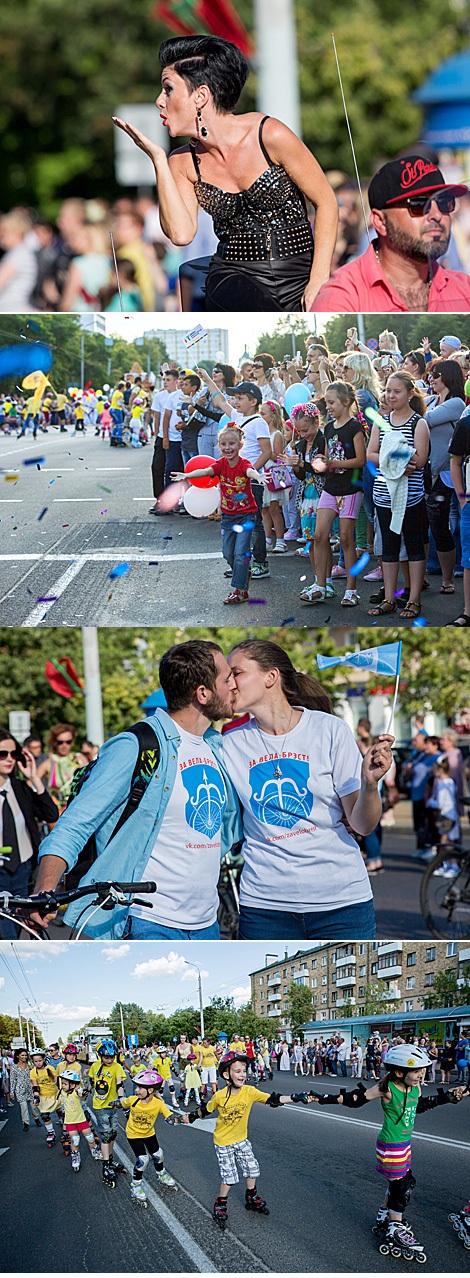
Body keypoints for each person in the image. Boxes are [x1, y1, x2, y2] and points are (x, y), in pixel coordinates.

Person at [32, 640, 241, 940]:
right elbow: (74, 825)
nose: (234, 685)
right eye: (227, 678)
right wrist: (45, 890)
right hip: (148, 922)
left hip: (206, 923)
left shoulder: (215, 745)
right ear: (203, 693)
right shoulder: (136, 746)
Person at [113, 34, 338, 311]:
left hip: (300, 273)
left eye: (168, 89)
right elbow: (181, 235)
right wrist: (158, 160)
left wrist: (319, 279)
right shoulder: (182, 162)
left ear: (201, 96)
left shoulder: (270, 135)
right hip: (233, 277)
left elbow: (326, 202)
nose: (160, 101)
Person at [222, 639, 394, 940]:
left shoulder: (329, 730)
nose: (230, 683)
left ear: (270, 677)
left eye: (236, 672)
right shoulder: (228, 744)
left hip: (343, 905)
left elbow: (363, 825)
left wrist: (369, 784)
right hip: (264, 908)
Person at [311, 1044, 469, 1261]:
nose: (421, 1075)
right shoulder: (386, 1088)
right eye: (416, 1071)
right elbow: (354, 1099)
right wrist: (320, 1098)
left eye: (422, 1070)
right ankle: (395, 1228)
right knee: (401, 1187)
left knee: (401, 1182)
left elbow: (418, 1106)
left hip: (404, 1145)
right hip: (390, 1146)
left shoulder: (415, 1088)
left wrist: (449, 1097)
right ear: (398, 1072)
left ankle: (386, 1215)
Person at [313, 157, 470, 312]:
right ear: (380, 222)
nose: (436, 215)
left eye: (444, 202)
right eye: (419, 204)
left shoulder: (465, 290)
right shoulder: (341, 299)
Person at [184, 1050, 311, 1229]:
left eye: (244, 1070)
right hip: (223, 1142)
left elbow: (272, 1100)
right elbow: (205, 1110)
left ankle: (251, 1196)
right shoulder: (220, 1096)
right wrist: (190, 1116)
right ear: (226, 1074)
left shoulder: (249, 1091)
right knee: (229, 1177)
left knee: (253, 1169)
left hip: (241, 1139)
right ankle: (220, 1203)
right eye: (237, 1071)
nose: (242, 1074)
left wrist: (295, 1097)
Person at [171, 423, 268, 604]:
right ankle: (243, 572)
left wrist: (258, 477)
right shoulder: (221, 464)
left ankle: (239, 590)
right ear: (219, 446)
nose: (227, 448)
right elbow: (207, 471)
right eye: (223, 444)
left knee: (240, 553)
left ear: (240, 445)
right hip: (228, 517)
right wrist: (187, 476)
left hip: (246, 515)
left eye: (232, 444)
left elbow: (249, 471)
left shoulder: (243, 464)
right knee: (227, 553)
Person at [195, 369, 272, 578]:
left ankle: (261, 563)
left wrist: (250, 472)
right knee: (236, 523)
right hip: (233, 483)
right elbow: (219, 400)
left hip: (250, 483)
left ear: (254, 401)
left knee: (254, 524)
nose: (235, 401)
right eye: (235, 398)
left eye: (240, 398)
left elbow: (267, 451)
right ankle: (241, 564)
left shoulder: (258, 422)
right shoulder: (237, 417)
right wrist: (207, 379)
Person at [366, 372, 430, 621]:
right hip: (383, 495)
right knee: (389, 548)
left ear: (410, 394)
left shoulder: (418, 423)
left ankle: (414, 599)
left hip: (410, 496)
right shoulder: (381, 421)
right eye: (388, 391)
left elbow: (419, 460)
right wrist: (393, 460)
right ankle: (389, 598)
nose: (391, 396)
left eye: (397, 391)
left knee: (414, 545)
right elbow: (371, 453)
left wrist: (393, 458)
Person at [309, 381, 366, 607]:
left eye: (331, 402)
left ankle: (351, 590)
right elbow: (326, 456)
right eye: (326, 403)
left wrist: (334, 462)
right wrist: (320, 463)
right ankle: (321, 585)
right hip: (331, 488)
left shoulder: (355, 428)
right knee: (319, 535)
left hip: (350, 489)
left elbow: (360, 460)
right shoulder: (329, 428)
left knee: (345, 538)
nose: (328, 407)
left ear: (346, 402)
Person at [0, 730, 58, 938]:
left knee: (18, 927)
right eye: (2, 754)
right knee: (7, 933)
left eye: (13, 754)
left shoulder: (20, 788)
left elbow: (50, 814)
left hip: (23, 869)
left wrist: (34, 778)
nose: (9, 759)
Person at [425, 360, 466, 593]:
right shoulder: (431, 400)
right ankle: (443, 575)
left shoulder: (456, 403)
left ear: (448, 376)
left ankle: (449, 578)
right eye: (430, 375)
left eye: (436, 375)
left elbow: (424, 419)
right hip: (431, 471)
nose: (431, 379)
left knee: (448, 521)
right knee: (436, 523)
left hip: (451, 472)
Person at [114, 1069, 177, 1204]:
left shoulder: (158, 1103)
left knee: (158, 1155)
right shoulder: (133, 1100)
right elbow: (122, 1102)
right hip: (133, 1134)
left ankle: (161, 1175)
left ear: (151, 1090)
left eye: (140, 1087)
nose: (136, 1090)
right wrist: (115, 1103)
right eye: (137, 1087)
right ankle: (136, 1186)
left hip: (149, 1133)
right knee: (143, 1160)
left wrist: (177, 1119)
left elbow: (169, 1115)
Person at [87, 1040, 127, 1187]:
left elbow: (119, 1084)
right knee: (105, 1134)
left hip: (113, 1105)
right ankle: (105, 1164)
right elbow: (91, 1082)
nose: (109, 1060)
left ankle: (109, 1159)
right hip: (99, 1105)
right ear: (100, 1056)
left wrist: (121, 1099)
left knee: (113, 1134)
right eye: (106, 1057)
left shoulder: (117, 1067)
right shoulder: (95, 1066)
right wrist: (85, 1092)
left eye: (111, 1057)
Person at [449, 408, 470, 626]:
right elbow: (455, 461)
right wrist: (462, 498)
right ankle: (468, 611)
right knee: (468, 559)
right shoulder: (466, 424)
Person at [59, 1069, 102, 1171]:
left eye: (65, 1084)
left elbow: (83, 1096)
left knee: (90, 1137)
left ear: (73, 1085)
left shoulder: (77, 1092)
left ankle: (95, 1151)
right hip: (70, 1122)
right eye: (62, 1083)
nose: (62, 1086)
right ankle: (75, 1156)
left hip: (81, 1120)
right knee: (75, 1141)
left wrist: (81, 1092)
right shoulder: (63, 1092)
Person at [30, 1048, 61, 1146]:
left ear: (44, 1059)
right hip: (43, 1096)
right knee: (45, 1116)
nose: (38, 1063)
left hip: (55, 1095)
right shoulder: (33, 1072)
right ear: (33, 1061)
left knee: (62, 1114)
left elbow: (57, 1082)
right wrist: (36, 1097)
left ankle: (66, 1132)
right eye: (36, 1061)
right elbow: (35, 1087)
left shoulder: (50, 1068)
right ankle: (51, 1133)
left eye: (40, 1060)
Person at [9, 1048, 41, 1131]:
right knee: (24, 1107)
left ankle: (36, 1119)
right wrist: (11, 1092)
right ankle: (26, 1123)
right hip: (20, 1089)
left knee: (34, 1106)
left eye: (26, 1055)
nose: (24, 1057)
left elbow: (36, 1075)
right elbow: (12, 1080)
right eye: (22, 1055)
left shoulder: (30, 1065)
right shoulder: (14, 1068)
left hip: (30, 1088)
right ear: (17, 1056)